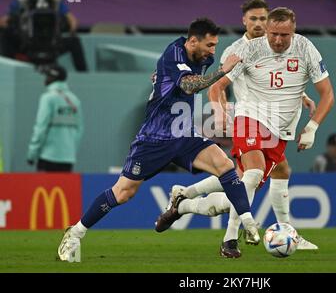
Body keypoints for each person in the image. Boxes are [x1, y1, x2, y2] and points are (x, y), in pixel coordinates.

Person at [57, 18, 261, 263]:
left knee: (225, 166)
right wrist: (223, 70)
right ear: (192, 41)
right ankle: (76, 233)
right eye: (209, 45)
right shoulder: (174, 54)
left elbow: (178, 82)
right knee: (123, 193)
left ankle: (248, 223)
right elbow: (187, 86)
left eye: (215, 45)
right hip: (155, 139)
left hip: (184, 134)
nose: (212, 51)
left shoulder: (202, 58)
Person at [156, 5, 335, 258]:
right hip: (249, 117)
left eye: (284, 35)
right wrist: (220, 113)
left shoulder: (305, 48)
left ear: (294, 32)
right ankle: (229, 240)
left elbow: (327, 93)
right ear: (253, 25)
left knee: (235, 194)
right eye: (273, 33)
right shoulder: (245, 50)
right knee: (253, 173)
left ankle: (184, 200)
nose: (277, 40)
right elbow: (217, 86)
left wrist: (312, 126)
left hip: (280, 130)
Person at [0, 0, 87, 70]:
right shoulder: (21, 1)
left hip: (51, 42)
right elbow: (5, 19)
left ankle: (83, 74)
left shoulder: (55, 1)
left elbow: (71, 18)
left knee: (74, 41)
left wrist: (72, 26)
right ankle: (7, 70)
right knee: (5, 35)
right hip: (26, 42)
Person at [27, 65, 83, 172]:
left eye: (47, 76)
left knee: (45, 188)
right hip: (68, 158)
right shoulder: (75, 100)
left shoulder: (48, 98)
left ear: (53, 78)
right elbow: (80, 130)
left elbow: (40, 128)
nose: (45, 79)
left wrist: (32, 153)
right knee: (64, 188)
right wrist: (70, 150)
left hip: (47, 157)